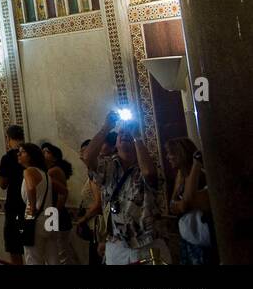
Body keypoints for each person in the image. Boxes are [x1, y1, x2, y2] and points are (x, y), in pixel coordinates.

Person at [83, 111, 168, 264]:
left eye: (128, 133)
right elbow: (88, 157)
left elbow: (148, 173)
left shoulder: (149, 164)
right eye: (121, 133)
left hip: (147, 244)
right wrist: (106, 127)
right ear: (115, 143)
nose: (124, 135)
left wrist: (137, 135)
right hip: (117, 246)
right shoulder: (108, 166)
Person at [165, 137, 214, 264]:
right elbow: (172, 207)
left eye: (171, 153)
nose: (168, 157)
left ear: (181, 153)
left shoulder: (201, 175)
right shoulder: (180, 178)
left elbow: (185, 203)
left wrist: (180, 205)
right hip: (189, 240)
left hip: (203, 241)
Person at [19, 142, 57, 264]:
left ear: (31, 156)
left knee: (33, 258)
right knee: (52, 258)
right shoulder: (45, 174)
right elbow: (64, 191)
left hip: (36, 218)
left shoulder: (28, 171)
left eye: (23, 152)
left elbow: (31, 188)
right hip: (51, 216)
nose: (19, 154)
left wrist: (32, 208)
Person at [0, 124, 27, 264]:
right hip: (33, 206)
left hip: (15, 205)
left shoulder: (8, 157)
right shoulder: (33, 153)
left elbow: (2, 184)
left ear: (8, 138)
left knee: (15, 246)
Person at [42, 141, 76, 264]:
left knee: (60, 252)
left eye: (47, 152)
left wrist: (53, 215)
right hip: (56, 215)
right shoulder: (50, 170)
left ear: (55, 157)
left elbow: (62, 194)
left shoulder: (53, 171)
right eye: (42, 151)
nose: (43, 154)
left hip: (57, 216)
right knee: (59, 252)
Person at [72, 138, 104, 265]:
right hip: (95, 228)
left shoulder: (96, 175)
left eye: (85, 151)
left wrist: (83, 219)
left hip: (98, 228)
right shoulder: (91, 173)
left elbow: (98, 204)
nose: (82, 155)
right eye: (81, 152)